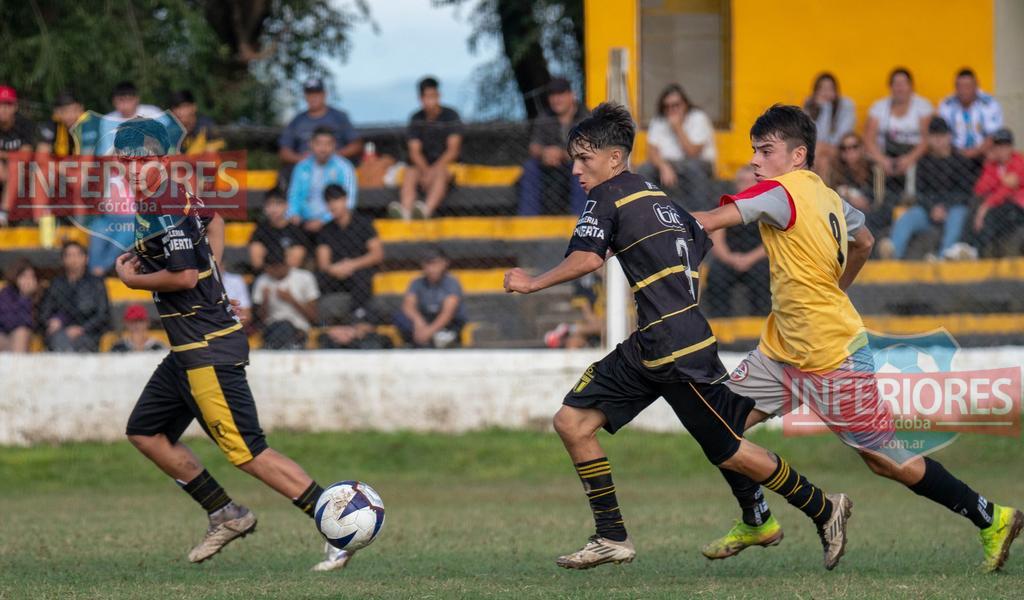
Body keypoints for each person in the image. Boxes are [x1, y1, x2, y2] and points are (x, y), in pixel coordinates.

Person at [504, 103, 852, 571]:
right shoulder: (657, 196)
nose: (576, 170)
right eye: (574, 160)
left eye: (584, 159)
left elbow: (587, 259)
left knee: (729, 448)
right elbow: (694, 243)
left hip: (675, 348)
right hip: (657, 341)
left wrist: (531, 283)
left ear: (613, 158)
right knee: (572, 422)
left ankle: (823, 507)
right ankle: (612, 536)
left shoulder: (606, 197)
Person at [691, 104, 1021, 573]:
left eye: (765, 151)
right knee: (719, 426)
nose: (755, 161)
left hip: (833, 355)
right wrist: (837, 286)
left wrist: (644, 215)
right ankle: (757, 520)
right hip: (783, 351)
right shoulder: (828, 196)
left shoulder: (778, 191)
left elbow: (706, 220)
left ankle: (991, 516)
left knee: (885, 459)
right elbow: (863, 240)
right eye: (754, 152)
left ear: (797, 155)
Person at [109, 118, 353, 572]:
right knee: (145, 431)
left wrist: (133, 280)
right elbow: (215, 221)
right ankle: (226, 513)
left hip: (206, 347)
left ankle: (338, 528)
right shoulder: (162, 196)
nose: (133, 168)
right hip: (187, 351)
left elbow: (184, 276)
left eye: (142, 160)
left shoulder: (165, 201)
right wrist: (215, 277)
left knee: (247, 451)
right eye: (125, 161)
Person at [887, 117, 976, 260]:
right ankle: (892, 253)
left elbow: (965, 193)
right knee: (908, 217)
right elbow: (920, 194)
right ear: (928, 139)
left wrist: (945, 207)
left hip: (953, 209)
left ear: (949, 136)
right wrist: (932, 209)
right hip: (929, 211)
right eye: (934, 136)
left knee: (958, 214)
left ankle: (944, 258)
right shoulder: (923, 162)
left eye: (942, 135)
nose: (938, 140)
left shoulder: (961, 161)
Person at [390, 77, 463, 220]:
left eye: (434, 96)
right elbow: (414, 152)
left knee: (440, 175)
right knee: (410, 173)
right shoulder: (416, 119)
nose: (432, 101)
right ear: (421, 99)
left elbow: (453, 150)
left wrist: (433, 171)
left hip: (446, 166)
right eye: (428, 97)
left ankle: (425, 211)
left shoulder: (451, 116)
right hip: (422, 167)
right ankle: (405, 212)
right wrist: (426, 171)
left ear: (439, 95)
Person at [703, 165, 769, 317]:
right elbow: (717, 240)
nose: (745, 185)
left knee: (764, 276)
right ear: (735, 184)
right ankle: (720, 322)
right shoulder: (725, 204)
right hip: (729, 257)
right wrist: (730, 258)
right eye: (741, 181)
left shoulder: (766, 206)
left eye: (750, 181)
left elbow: (770, 242)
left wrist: (749, 259)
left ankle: (761, 321)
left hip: (757, 258)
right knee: (716, 276)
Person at [638, 83, 717, 211]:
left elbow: (693, 153)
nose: (672, 109)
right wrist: (663, 166)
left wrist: (677, 127)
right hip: (669, 164)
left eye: (676, 105)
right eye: (667, 106)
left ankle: (699, 213)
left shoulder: (698, 118)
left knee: (693, 168)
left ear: (685, 104)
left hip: (697, 164)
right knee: (644, 168)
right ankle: (647, 211)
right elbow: (652, 152)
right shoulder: (659, 121)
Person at [518, 77, 590, 216]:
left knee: (581, 168)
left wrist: (562, 154)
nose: (556, 99)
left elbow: (589, 149)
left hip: (575, 165)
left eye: (560, 94)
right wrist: (544, 152)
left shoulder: (586, 116)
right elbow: (533, 146)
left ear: (572, 95)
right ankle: (528, 220)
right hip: (549, 167)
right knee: (530, 167)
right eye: (552, 95)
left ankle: (580, 220)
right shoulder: (544, 116)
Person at [316, 184, 384, 320]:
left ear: (345, 200)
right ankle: (318, 320)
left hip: (359, 270)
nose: (333, 205)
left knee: (362, 276)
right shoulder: (325, 230)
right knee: (315, 278)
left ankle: (359, 315)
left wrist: (352, 265)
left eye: (336, 200)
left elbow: (377, 254)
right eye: (329, 202)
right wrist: (334, 269)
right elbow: (323, 263)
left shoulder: (363, 223)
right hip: (336, 273)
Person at [864, 68, 933, 196]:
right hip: (885, 154)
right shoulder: (879, 107)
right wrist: (882, 160)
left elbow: (926, 139)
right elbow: (869, 139)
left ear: (911, 86)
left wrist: (909, 159)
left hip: (914, 155)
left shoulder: (923, 106)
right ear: (890, 87)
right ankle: (879, 200)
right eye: (896, 84)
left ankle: (911, 199)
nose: (900, 88)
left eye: (903, 84)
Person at [40, 240, 110, 352]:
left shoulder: (96, 283)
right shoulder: (56, 284)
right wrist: (52, 321)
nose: (74, 259)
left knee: (81, 345)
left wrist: (82, 329)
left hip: (90, 333)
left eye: (78, 255)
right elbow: (45, 312)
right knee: (60, 341)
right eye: (69, 255)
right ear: (63, 260)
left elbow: (103, 315)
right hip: (60, 332)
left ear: (86, 258)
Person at [278, 77, 362, 168]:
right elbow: (284, 151)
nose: (313, 97)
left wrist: (333, 156)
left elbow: (356, 145)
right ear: (305, 96)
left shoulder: (339, 117)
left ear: (324, 94)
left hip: (335, 168)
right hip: (305, 169)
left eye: (317, 94)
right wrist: (302, 159)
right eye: (310, 94)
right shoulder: (297, 121)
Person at [287, 126, 358, 233]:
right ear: (311, 144)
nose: (323, 149)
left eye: (328, 144)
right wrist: (293, 214)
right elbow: (294, 194)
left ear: (334, 145)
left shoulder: (344, 167)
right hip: (303, 222)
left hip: (333, 222)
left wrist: (324, 220)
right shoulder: (301, 167)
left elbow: (349, 202)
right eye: (319, 144)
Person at [394, 248, 466, 348]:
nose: (432, 268)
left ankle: (436, 340)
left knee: (453, 321)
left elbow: (448, 312)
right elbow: (408, 306)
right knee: (400, 317)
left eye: (435, 263)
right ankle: (419, 341)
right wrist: (418, 321)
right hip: (425, 319)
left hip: (446, 322)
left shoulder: (451, 283)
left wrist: (429, 332)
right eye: (428, 264)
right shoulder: (417, 282)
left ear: (445, 264)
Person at [252, 249, 320, 350]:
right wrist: (265, 300)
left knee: (285, 327)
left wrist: (291, 300)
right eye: (268, 269)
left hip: (298, 328)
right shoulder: (262, 280)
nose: (271, 272)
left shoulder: (305, 277)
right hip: (272, 327)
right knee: (281, 327)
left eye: (275, 268)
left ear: (284, 265)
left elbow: (314, 316)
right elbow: (260, 319)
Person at [973, 127, 1024, 257]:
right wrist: (1000, 177)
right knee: (975, 204)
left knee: (991, 214)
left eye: (1006, 146)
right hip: (1000, 204)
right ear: (994, 149)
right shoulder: (992, 165)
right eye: (998, 146)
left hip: (1017, 207)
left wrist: (985, 206)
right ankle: (972, 249)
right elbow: (980, 189)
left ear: (1011, 147)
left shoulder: (1019, 161)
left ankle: (977, 251)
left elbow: (1007, 190)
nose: (1002, 150)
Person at [937, 68, 1004, 163]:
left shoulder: (989, 103)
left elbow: (993, 135)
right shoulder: (946, 104)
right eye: (960, 87)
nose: (964, 91)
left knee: (996, 152)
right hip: (954, 154)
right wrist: (958, 153)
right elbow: (943, 134)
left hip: (984, 153)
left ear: (976, 86)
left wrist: (975, 152)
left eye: (968, 86)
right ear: (955, 87)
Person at [803, 73, 855, 183]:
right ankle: (821, 192)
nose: (826, 92)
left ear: (836, 90)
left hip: (842, 150)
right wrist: (822, 108)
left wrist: (827, 107)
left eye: (829, 88)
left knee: (818, 148)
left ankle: (805, 183)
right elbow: (811, 135)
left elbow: (841, 138)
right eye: (822, 89)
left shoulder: (846, 105)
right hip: (820, 152)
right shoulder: (811, 105)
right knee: (823, 161)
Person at [0, 85, 39, 226]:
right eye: (0, 105)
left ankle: (3, 213)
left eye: (8, 105)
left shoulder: (24, 125)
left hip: (25, 172)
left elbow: (25, 156)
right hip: (4, 170)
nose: (3, 109)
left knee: (15, 165)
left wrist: (3, 155)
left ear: (15, 107)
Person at [249, 188, 310, 271]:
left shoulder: (296, 231)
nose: (273, 209)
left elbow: (295, 262)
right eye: (269, 204)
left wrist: (269, 256)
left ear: (286, 206)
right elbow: (256, 262)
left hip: (291, 275)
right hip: (266, 274)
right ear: (265, 207)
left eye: (278, 204)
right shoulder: (260, 231)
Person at [96, 81, 163, 155]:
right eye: (121, 100)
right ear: (114, 102)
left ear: (137, 99)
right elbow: (106, 152)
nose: (125, 105)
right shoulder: (107, 121)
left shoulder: (154, 114)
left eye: (129, 100)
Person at [544, 271, 605, 349]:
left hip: (609, 324)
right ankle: (570, 331)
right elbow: (589, 317)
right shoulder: (585, 282)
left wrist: (573, 329)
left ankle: (570, 330)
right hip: (597, 325)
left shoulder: (618, 279)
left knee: (603, 327)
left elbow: (603, 327)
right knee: (573, 343)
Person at [38, 90, 101, 158]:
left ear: (81, 108)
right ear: (56, 112)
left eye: (75, 110)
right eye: (64, 111)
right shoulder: (53, 124)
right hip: (63, 162)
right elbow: (41, 156)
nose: (70, 116)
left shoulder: (90, 124)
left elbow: (87, 160)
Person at [164, 90, 224, 155]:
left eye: (183, 107)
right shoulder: (171, 132)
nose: (179, 112)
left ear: (194, 107)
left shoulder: (206, 126)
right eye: (175, 108)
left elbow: (221, 146)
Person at [0, 259, 39, 353]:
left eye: (31, 276)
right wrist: (24, 297)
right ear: (16, 277)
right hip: (5, 334)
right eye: (24, 276)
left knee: (21, 332)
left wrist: (26, 297)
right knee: (20, 330)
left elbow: (34, 322)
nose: (28, 280)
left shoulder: (40, 295)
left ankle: (17, 362)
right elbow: (8, 321)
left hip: (29, 336)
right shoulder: (7, 293)